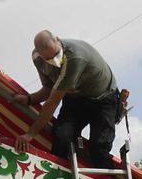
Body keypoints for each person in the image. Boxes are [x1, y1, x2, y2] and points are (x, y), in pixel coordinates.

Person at [12, 31, 123, 169]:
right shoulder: (37, 59)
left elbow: (52, 102)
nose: (56, 61)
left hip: (103, 98)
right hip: (76, 98)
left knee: (98, 146)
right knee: (61, 136)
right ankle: (59, 175)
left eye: (57, 54)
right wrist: (29, 99)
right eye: (50, 59)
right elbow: (48, 88)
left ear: (58, 40)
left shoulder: (75, 57)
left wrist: (30, 134)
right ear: (41, 55)